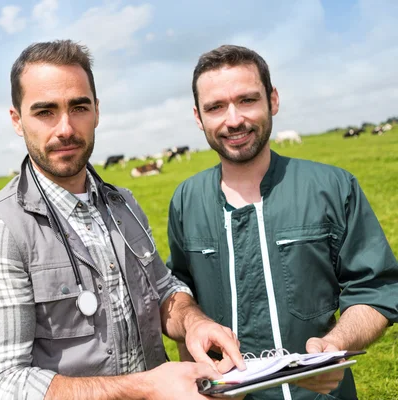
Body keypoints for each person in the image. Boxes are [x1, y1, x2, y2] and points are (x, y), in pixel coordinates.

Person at [0, 40, 246, 400]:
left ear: (97, 112)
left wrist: (193, 322)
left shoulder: (123, 203)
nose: (66, 128)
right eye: (45, 112)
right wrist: (146, 388)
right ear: (17, 120)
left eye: (78, 107)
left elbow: (163, 291)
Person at [166, 44, 398, 400]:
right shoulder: (186, 199)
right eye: (215, 107)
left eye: (247, 100)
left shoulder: (333, 186)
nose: (233, 119)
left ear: (272, 100)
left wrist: (334, 345)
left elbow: (375, 289)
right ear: (198, 117)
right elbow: (180, 293)